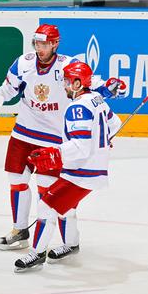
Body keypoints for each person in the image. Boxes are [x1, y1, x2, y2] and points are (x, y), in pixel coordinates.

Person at [0, 24, 126, 255]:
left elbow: (91, 83)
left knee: (47, 189)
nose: (39, 48)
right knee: (16, 179)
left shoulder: (67, 65)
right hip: (23, 131)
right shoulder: (23, 62)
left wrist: (112, 87)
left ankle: (67, 241)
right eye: (37, 44)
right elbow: (7, 89)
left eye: (44, 44)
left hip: (53, 138)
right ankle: (20, 230)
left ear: (55, 44)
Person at [13, 61, 122, 272]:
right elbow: (114, 123)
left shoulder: (78, 107)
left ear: (78, 83)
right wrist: (103, 139)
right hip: (92, 170)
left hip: (82, 173)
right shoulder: (96, 99)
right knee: (66, 207)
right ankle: (71, 244)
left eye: (66, 81)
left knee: (46, 206)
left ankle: (36, 254)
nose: (63, 85)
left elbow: (80, 147)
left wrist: (55, 153)